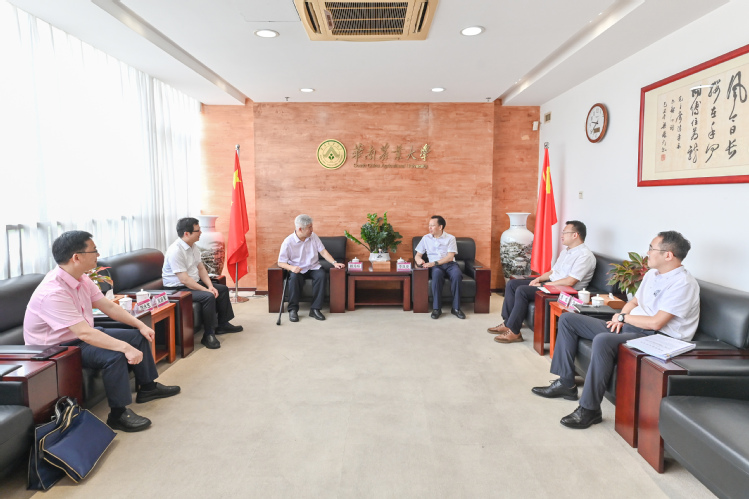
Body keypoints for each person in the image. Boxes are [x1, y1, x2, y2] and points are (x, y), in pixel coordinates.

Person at [532, 231, 699, 429]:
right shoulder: (652, 274)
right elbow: (634, 301)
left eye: (651, 248)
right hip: (633, 326)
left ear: (668, 255)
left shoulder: (683, 283)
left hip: (658, 337)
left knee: (603, 340)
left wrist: (623, 317)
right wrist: (621, 316)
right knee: (568, 320)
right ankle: (566, 383)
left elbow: (656, 323)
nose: (647, 252)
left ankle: (589, 409)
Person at [24, 231, 180, 432]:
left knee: (137, 336)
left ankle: (148, 388)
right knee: (114, 355)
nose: (98, 255)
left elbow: (108, 307)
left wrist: (140, 325)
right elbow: (84, 334)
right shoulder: (53, 292)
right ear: (76, 257)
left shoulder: (81, 278)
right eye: (94, 250)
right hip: (57, 349)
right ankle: (118, 414)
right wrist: (124, 348)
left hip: (79, 336)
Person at [490, 220, 595, 343]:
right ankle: (508, 323)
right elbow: (552, 272)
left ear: (575, 235)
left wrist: (545, 285)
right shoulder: (566, 252)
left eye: (564, 232)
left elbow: (570, 281)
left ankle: (514, 332)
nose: (562, 235)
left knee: (522, 291)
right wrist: (538, 279)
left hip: (565, 291)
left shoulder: (584, 255)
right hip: (553, 284)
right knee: (512, 284)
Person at [162, 217, 243, 350]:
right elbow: (184, 279)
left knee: (222, 289)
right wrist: (206, 290)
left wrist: (210, 286)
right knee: (208, 296)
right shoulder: (175, 251)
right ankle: (208, 334)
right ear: (186, 233)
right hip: (178, 289)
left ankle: (222, 324)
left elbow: (201, 268)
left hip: (192, 283)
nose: (201, 233)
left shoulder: (193, 246)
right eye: (198, 230)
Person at [277, 214, 345, 322]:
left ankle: (315, 309)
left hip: (313, 267)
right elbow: (280, 262)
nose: (312, 230)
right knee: (294, 278)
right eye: (309, 227)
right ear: (300, 229)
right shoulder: (288, 242)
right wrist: (291, 268)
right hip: (297, 269)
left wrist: (334, 263)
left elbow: (323, 251)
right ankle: (293, 310)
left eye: (311, 226)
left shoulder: (313, 236)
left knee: (321, 276)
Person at [414, 215, 465, 319]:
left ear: (440, 227)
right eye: (429, 225)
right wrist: (419, 260)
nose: (430, 228)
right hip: (436, 267)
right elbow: (417, 255)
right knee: (436, 275)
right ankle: (437, 308)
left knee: (457, 275)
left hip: (449, 264)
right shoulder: (426, 238)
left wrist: (434, 263)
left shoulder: (450, 238)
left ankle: (456, 308)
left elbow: (450, 257)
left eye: (432, 225)